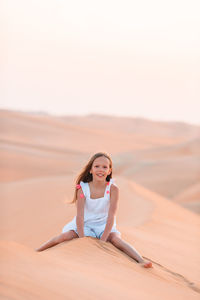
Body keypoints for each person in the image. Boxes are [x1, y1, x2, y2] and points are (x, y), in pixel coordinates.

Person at [36, 152, 153, 268]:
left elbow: (112, 215)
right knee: (65, 236)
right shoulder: (82, 189)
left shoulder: (113, 189)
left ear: (109, 171)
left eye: (104, 167)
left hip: (104, 225)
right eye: (96, 166)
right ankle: (38, 251)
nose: (100, 170)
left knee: (117, 241)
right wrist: (82, 238)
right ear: (91, 170)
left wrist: (103, 238)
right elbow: (80, 216)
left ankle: (140, 260)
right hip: (85, 225)